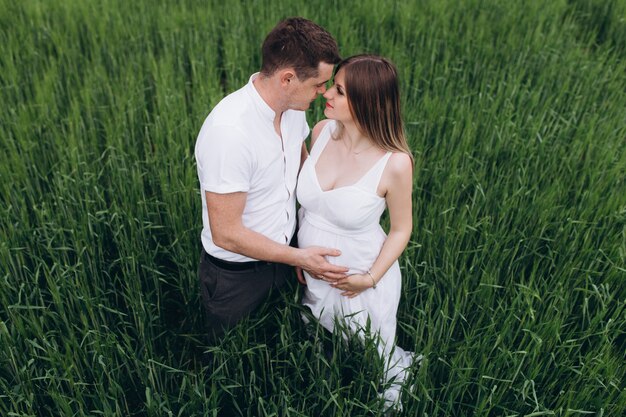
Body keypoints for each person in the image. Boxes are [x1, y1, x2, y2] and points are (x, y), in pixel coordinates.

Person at [194, 17, 347, 338]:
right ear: (287, 78)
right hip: (238, 277)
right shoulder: (230, 134)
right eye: (318, 84)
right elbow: (226, 233)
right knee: (228, 362)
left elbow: (301, 166)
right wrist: (299, 257)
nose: (323, 93)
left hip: (288, 256)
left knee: (280, 346)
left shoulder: (294, 109)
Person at [296, 54, 419, 411]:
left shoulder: (394, 163)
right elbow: (307, 205)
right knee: (319, 337)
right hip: (311, 267)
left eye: (339, 91)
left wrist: (368, 278)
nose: (326, 95)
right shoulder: (320, 133)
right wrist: (296, 253)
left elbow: (401, 229)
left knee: (372, 351)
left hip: (360, 272)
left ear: (366, 102)